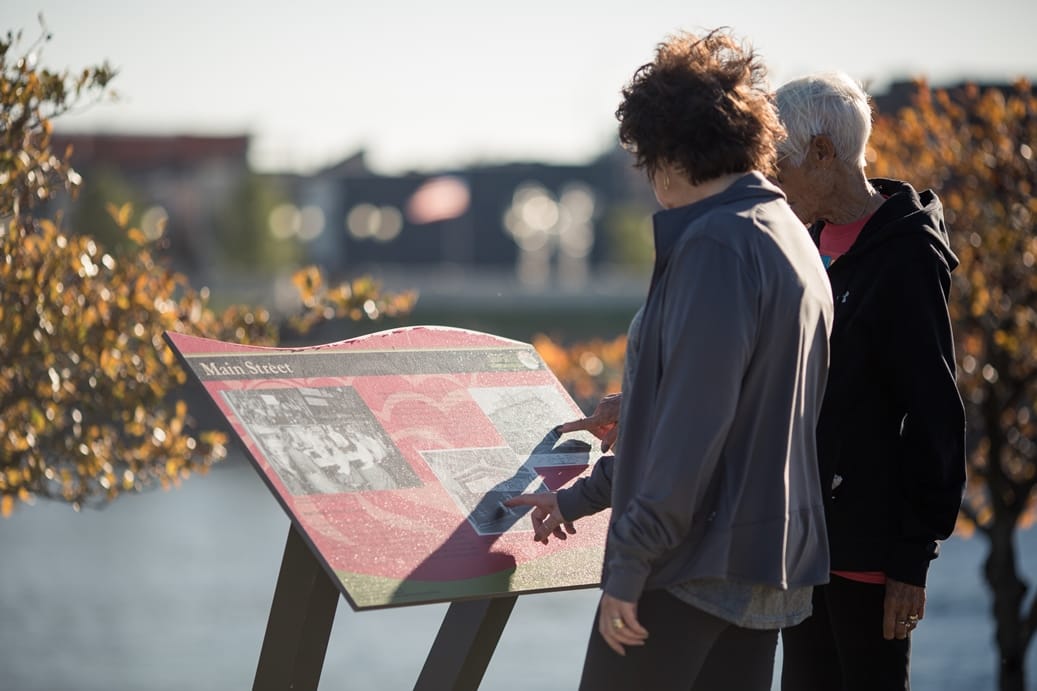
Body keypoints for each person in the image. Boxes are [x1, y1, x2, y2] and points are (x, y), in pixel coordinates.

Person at [506, 29, 834, 691]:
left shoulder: (716, 243)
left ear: (670, 154)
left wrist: (627, 566)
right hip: (765, 565)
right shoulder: (789, 236)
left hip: (691, 565)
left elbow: (692, 433)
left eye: (645, 160)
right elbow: (727, 412)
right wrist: (581, 497)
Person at [771, 72, 967, 690]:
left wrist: (912, 559)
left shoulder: (906, 256)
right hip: (800, 543)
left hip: (867, 557)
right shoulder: (804, 244)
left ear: (823, 153)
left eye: (780, 162)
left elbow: (936, 414)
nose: (771, 179)